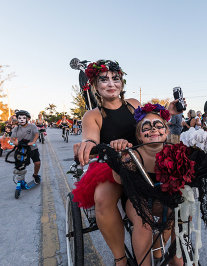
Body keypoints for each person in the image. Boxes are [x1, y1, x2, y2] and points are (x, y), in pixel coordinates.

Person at [72, 59, 182, 265]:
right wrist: (88, 143)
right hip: (111, 165)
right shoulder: (92, 115)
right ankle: (120, 258)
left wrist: (169, 111)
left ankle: (158, 250)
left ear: (122, 83)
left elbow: (150, 125)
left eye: (116, 79)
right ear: (95, 85)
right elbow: (91, 137)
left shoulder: (133, 104)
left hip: (143, 163)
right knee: (102, 198)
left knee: (170, 204)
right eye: (104, 80)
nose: (111, 83)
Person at [10, 110, 41, 184]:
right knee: (20, 166)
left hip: (32, 148)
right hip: (22, 149)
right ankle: (21, 180)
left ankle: (35, 175)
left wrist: (33, 141)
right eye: (19, 118)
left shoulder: (32, 126)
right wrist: (14, 142)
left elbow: (37, 134)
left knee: (37, 163)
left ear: (28, 119)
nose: (21, 119)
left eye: (24, 118)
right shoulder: (16, 129)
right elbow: (12, 138)